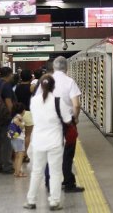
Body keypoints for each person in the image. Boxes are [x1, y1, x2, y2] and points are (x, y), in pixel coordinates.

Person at [24, 74, 72, 210]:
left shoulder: (34, 101)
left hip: (38, 141)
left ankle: (31, 200)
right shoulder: (58, 101)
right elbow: (67, 120)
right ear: (53, 87)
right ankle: (54, 201)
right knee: (55, 172)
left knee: (37, 171)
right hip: (55, 142)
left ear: (40, 86)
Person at [42, 56, 84, 193]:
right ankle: (68, 183)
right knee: (67, 153)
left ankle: (49, 183)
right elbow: (76, 105)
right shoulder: (70, 82)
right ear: (66, 68)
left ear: (53, 68)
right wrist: (76, 118)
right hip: (67, 122)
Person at [0, 66, 15, 174]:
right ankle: (7, 166)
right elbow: (8, 102)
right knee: (7, 142)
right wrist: (13, 115)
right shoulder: (6, 86)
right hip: (6, 117)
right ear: (9, 74)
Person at [15, 69, 35, 163]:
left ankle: (17, 153)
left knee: (18, 135)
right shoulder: (31, 87)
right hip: (28, 112)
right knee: (27, 135)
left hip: (18, 113)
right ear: (30, 77)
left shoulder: (17, 87)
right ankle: (24, 155)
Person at [9, 102, 27, 178]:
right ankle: (18, 172)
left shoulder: (14, 115)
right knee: (20, 156)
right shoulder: (18, 116)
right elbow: (16, 121)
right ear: (22, 110)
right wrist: (22, 125)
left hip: (14, 138)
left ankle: (17, 171)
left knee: (16, 156)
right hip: (19, 139)